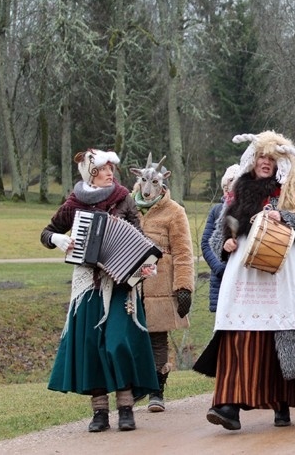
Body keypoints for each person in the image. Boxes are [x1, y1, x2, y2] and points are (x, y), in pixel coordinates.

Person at [193, 131, 295, 431]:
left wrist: (284, 218)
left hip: (282, 279)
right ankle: (228, 406)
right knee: (240, 339)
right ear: (252, 160)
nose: (265, 162)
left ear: (280, 162)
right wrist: (226, 244)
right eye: (260, 156)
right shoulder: (238, 192)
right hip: (244, 280)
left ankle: (282, 404)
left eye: (271, 158)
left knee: (277, 341)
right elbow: (220, 235)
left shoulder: (291, 194)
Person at [41, 149, 159, 432]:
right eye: (104, 169)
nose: (110, 174)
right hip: (88, 285)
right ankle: (100, 413)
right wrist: (60, 240)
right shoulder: (73, 204)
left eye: (111, 169)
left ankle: (126, 407)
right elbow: (46, 233)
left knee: (118, 343)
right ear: (90, 174)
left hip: (120, 284)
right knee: (91, 346)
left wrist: (146, 264)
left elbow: (139, 237)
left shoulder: (124, 198)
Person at [130, 155, 195, 413]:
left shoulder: (175, 211)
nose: (148, 187)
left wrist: (183, 287)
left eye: (154, 182)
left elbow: (183, 252)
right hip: (131, 283)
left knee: (157, 337)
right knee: (132, 336)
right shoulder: (128, 207)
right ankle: (136, 386)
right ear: (138, 179)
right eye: (144, 180)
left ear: (163, 181)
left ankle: (157, 390)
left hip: (160, 284)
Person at [202, 164, 240, 313]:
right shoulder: (217, 211)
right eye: (226, 186)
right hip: (220, 280)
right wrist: (219, 268)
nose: (228, 190)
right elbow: (206, 244)